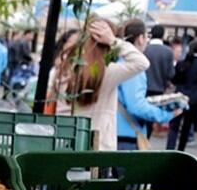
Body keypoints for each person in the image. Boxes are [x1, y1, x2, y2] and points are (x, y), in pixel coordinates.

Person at [50, 18, 148, 151]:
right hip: (99, 148)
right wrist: (113, 40)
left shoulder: (65, 70)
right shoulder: (108, 73)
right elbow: (141, 62)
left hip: (64, 144)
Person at [116, 20, 181, 150]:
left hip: (112, 129)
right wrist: (166, 116)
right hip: (126, 135)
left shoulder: (116, 61)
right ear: (140, 38)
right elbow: (136, 106)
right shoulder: (134, 66)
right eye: (146, 36)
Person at [168, 40, 197, 151]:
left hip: (179, 95)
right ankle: (180, 150)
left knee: (174, 125)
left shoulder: (182, 63)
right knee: (187, 126)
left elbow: (175, 80)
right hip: (195, 98)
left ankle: (170, 148)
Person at [144, 25, 175, 98]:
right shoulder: (168, 51)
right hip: (160, 89)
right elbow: (171, 74)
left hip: (143, 88)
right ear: (163, 35)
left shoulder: (144, 49)